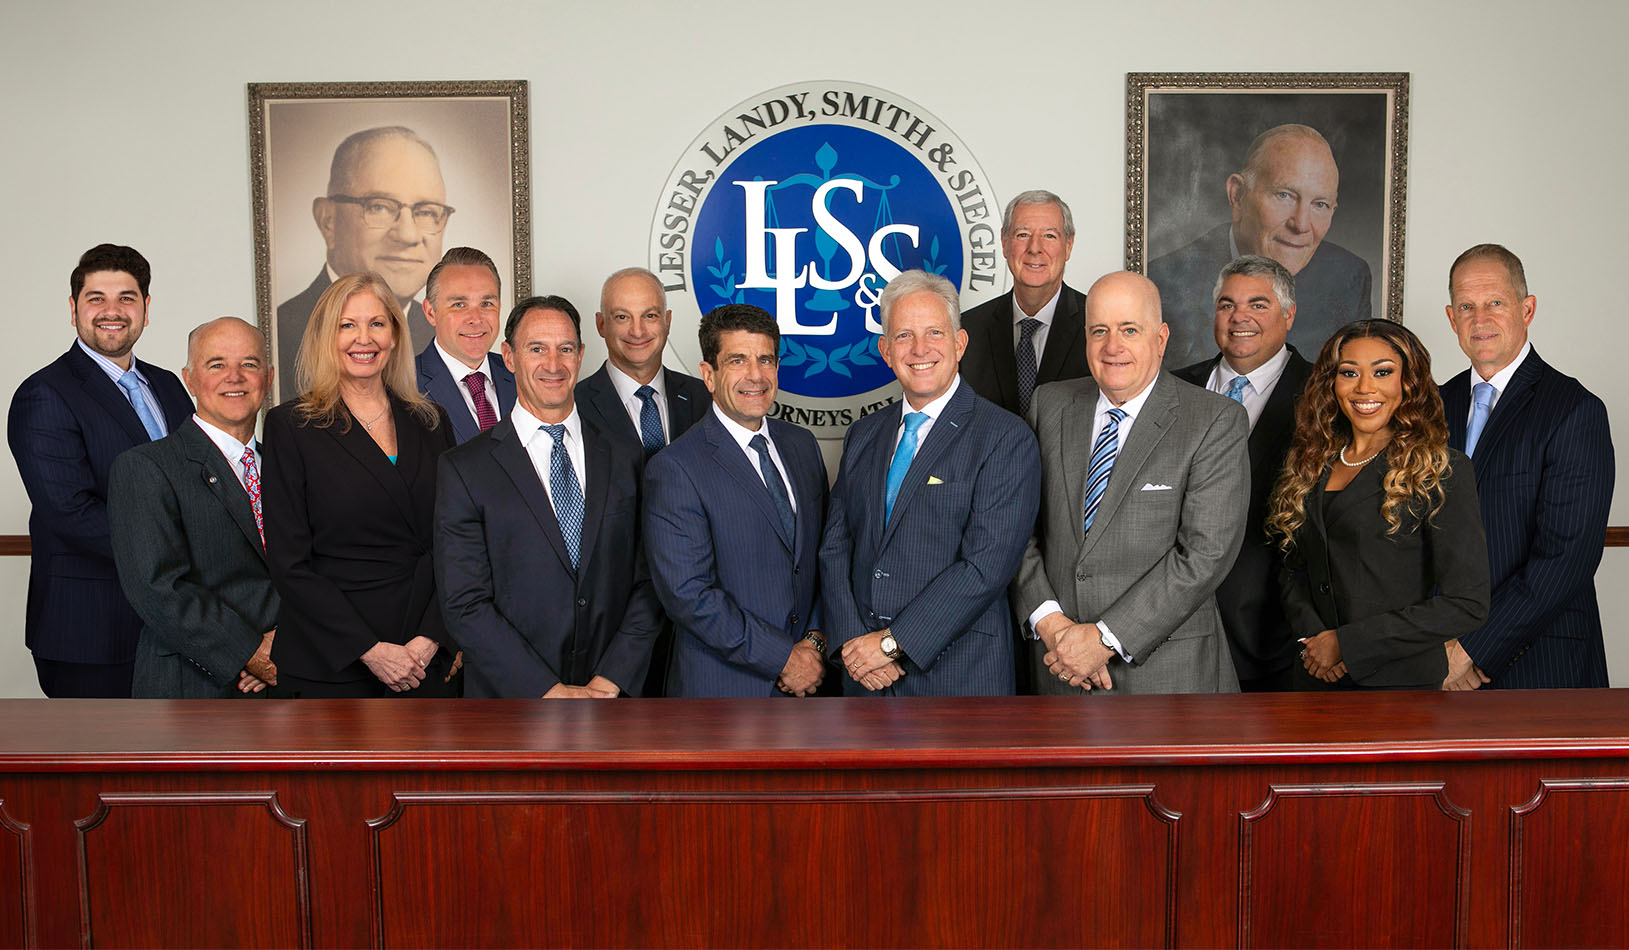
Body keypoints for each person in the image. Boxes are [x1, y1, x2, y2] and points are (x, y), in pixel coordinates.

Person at [1016, 271, 1248, 695]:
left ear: (1160, 339)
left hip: (1167, 678)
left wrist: (1104, 639)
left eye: (1129, 330)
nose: (1112, 346)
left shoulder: (1214, 420)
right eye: (1099, 331)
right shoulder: (1049, 405)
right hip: (1060, 667)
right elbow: (1016, 530)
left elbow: (1204, 556)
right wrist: (1050, 623)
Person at [820, 270, 1039, 696]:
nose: (920, 349)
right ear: (886, 351)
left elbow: (985, 568)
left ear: (959, 343)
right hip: (865, 677)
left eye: (934, 332)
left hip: (957, 678)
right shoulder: (863, 434)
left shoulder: (1005, 437)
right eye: (904, 336)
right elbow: (835, 546)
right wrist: (851, 642)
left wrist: (891, 644)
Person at [436, 296, 661, 698]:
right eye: (537, 349)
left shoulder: (626, 456)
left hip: (611, 699)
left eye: (566, 349)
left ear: (581, 355)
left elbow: (650, 581)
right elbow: (465, 604)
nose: (553, 365)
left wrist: (611, 679)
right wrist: (547, 690)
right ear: (508, 357)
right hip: (511, 703)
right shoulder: (464, 469)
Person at [8, 244, 194, 697]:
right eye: (97, 299)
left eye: (126, 298)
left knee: (180, 743)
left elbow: (195, 480)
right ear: (74, 310)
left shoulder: (168, 385)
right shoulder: (44, 393)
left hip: (180, 625)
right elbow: (71, 512)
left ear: (146, 309)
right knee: (101, 746)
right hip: (91, 629)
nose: (112, 311)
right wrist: (187, 554)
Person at [262, 271, 460, 697]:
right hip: (332, 663)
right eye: (347, 325)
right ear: (325, 336)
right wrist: (369, 650)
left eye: (377, 323)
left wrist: (431, 638)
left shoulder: (431, 421)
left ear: (395, 334)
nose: (364, 339)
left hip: (422, 659)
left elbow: (457, 543)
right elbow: (289, 564)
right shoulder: (290, 426)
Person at [1269, 319, 1491, 690]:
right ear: (1331, 382)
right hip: (1313, 677)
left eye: (1382, 372)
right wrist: (1315, 641)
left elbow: (1466, 603)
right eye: (1349, 372)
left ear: (1408, 382)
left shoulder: (1442, 469)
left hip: (1397, 685)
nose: (1365, 388)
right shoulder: (1308, 464)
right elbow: (1291, 569)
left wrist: (1346, 645)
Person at [1438, 244, 1615, 689]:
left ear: (1527, 309)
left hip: (1539, 666)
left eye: (1495, 303)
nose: (1480, 319)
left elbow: (1565, 558)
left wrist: (1471, 651)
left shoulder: (1574, 410)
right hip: (1436, 662)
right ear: (1452, 318)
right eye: (1466, 306)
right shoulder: (1431, 406)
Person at [643, 304, 829, 697]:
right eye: (737, 360)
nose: (756, 375)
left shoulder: (802, 446)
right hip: (724, 692)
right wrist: (785, 659)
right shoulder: (676, 468)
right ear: (708, 374)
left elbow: (823, 555)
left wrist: (814, 642)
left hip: (811, 685)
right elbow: (689, 595)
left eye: (766, 360)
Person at [109, 318, 280, 698]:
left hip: (287, 680)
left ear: (268, 378)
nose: (234, 377)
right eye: (217, 364)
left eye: (249, 364)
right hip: (193, 688)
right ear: (189, 379)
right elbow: (158, 588)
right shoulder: (145, 467)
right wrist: (251, 652)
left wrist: (288, 643)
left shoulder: (287, 468)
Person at [1173, 256, 1313, 691]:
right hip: (1171, 631)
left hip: (1275, 640)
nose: (1240, 317)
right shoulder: (1171, 390)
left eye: (1258, 304)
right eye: (1227, 305)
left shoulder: (1324, 397)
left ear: (1289, 315)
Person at [576, 266, 711, 696]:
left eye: (650, 315)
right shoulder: (571, 406)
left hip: (701, 632)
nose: (637, 331)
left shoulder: (707, 400)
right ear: (600, 324)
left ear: (667, 321)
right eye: (622, 317)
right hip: (611, 634)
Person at [1148, 124, 1372, 368]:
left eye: (1319, 204)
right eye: (1284, 195)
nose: (1301, 225)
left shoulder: (1348, 277)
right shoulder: (1165, 281)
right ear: (1238, 196)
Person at [277, 126, 451, 396]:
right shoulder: (282, 330)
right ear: (328, 220)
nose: (407, 235)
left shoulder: (440, 334)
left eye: (427, 212)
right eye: (379, 207)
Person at [959, 190, 1089, 418]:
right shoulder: (968, 329)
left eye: (1049, 236)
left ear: (1068, 245)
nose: (1035, 248)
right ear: (1004, 243)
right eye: (1022, 235)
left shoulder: (1097, 326)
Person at [415, 247, 517, 444]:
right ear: (430, 312)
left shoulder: (521, 375)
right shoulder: (403, 387)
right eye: (459, 305)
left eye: (486, 304)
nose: (476, 319)